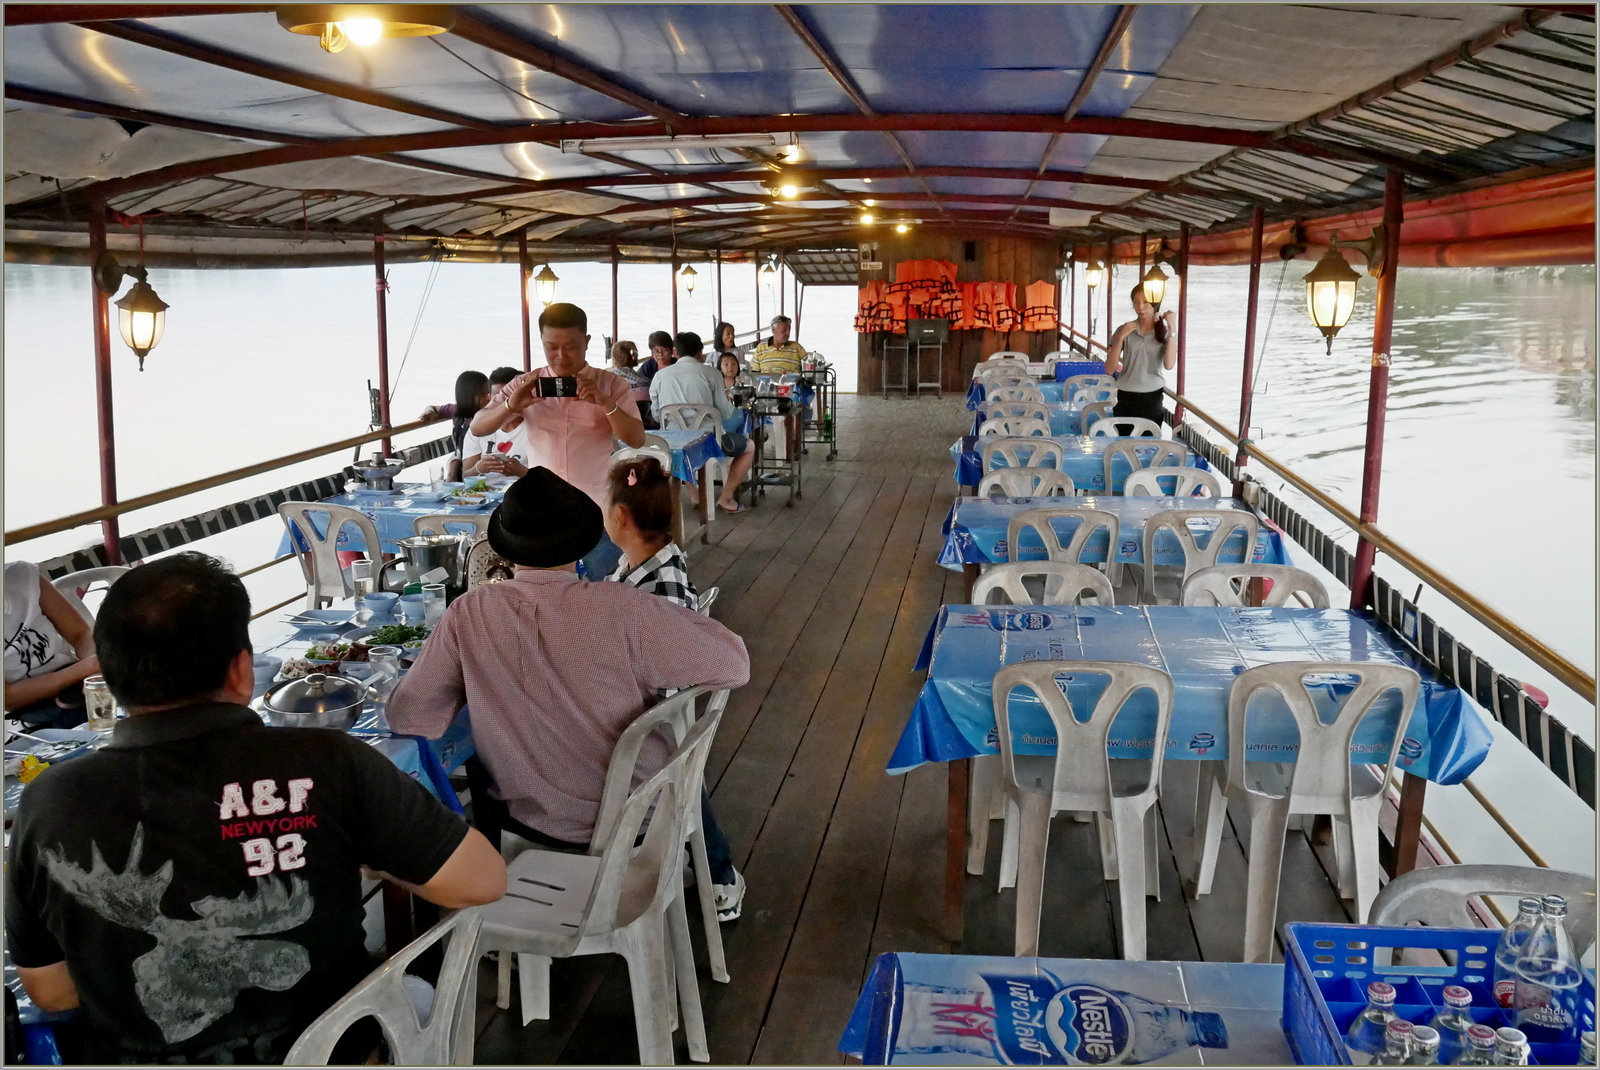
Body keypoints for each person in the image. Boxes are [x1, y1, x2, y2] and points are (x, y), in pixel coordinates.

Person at [4, 552, 505, 1064]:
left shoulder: (48, 801)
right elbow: (481, 882)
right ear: (243, 671)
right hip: (334, 1051)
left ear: (108, 680)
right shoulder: (330, 761)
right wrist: (377, 860)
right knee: (414, 997)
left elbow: (51, 992)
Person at [386, 467, 751, 919]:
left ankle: (488, 910)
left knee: (478, 763)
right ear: (581, 543)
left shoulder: (469, 613)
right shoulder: (625, 607)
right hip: (643, 821)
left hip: (535, 827)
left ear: (506, 548)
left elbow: (410, 717)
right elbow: (734, 665)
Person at [469, 303, 645, 579]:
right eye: (551, 347)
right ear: (541, 342)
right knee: (545, 590)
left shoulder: (610, 385)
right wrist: (511, 406)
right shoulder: (527, 383)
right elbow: (478, 427)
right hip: (543, 514)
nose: (561, 356)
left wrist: (605, 403)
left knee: (601, 587)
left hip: (598, 511)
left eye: (571, 346)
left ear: (587, 341)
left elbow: (636, 439)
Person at [650, 331, 756, 513]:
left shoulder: (660, 376)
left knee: (685, 442)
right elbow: (725, 411)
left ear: (675, 352)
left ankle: (695, 495)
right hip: (708, 440)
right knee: (749, 447)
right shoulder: (712, 374)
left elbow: (655, 414)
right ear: (700, 353)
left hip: (673, 442)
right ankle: (726, 498)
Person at [3, 561, 98, 727]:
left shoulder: (22, 575)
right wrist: (89, 667)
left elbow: (80, 634)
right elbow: (8, 698)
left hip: (77, 678)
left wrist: (94, 675)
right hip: (32, 704)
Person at [1105, 284, 1177, 430]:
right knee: (1123, 441)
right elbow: (1109, 369)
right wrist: (1120, 337)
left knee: (1149, 443)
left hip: (1152, 398)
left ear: (1154, 304)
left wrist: (1172, 330)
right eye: (1136, 302)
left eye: (1145, 302)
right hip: (1126, 397)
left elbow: (1169, 365)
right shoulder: (1125, 330)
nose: (1140, 307)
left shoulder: (1163, 332)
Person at [420, 370, 489, 481]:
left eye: (488, 392)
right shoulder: (455, 410)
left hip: (483, 456)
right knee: (453, 468)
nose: (488, 397)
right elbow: (432, 407)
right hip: (461, 455)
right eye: (483, 394)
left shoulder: (490, 413)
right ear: (468, 395)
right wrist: (429, 412)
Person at [461, 366, 526, 479]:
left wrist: (520, 471)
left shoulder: (536, 428)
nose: (503, 405)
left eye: (508, 399)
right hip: (486, 489)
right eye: (497, 399)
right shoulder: (479, 428)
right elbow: (466, 476)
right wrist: (478, 468)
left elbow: (551, 478)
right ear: (489, 398)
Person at [610, 340, 656, 429]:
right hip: (645, 429)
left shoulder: (607, 380)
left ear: (614, 359)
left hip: (617, 429)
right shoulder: (647, 383)